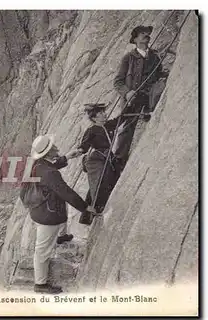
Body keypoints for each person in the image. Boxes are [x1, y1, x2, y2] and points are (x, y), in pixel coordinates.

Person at [26, 134, 95, 294]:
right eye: (53, 148)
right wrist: (85, 207)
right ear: (48, 153)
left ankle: (61, 236)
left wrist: (67, 157)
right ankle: (40, 285)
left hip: (42, 207)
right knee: (42, 250)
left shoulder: (39, 164)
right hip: (47, 215)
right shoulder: (49, 173)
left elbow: (52, 166)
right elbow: (66, 192)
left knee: (61, 210)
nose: (56, 148)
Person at [113, 25, 165, 170]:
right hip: (133, 98)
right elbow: (117, 81)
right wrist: (127, 92)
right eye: (142, 33)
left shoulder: (155, 56)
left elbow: (159, 73)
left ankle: (148, 111)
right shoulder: (128, 58)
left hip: (149, 96)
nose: (146, 35)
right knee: (126, 128)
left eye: (147, 34)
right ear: (135, 39)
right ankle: (118, 161)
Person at [69, 103, 122, 224]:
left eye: (104, 112)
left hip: (106, 157)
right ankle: (96, 208)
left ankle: (88, 214)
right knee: (99, 181)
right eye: (101, 113)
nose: (104, 114)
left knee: (103, 181)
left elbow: (119, 119)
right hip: (96, 159)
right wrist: (79, 151)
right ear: (94, 117)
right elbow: (85, 146)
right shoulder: (91, 130)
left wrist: (129, 106)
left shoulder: (107, 125)